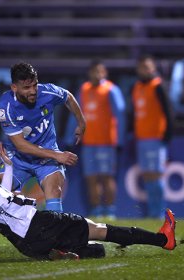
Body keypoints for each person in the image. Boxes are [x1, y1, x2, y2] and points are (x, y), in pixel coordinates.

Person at [0, 142, 177, 260]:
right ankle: (162, 239)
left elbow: (4, 195)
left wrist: (8, 166)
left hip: (25, 243)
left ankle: (66, 252)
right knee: (99, 229)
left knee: (94, 249)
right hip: (38, 224)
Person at [0, 62, 86, 259]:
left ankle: (56, 244)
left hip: (46, 156)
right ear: (14, 88)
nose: (33, 91)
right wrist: (57, 155)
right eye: (27, 87)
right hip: (18, 158)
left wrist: (81, 122)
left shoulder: (48, 92)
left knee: (54, 190)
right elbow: (21, 145)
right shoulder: (6, 107)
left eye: (34, 85)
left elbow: (68, 96)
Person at [65, 60, 126, 219]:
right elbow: (76, 114)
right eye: (94, 71)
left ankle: (110, 210)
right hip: (89, 143)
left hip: (106, 143)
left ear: (104, 73)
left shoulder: (111, 90)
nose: (97, 75)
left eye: (100, 71)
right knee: (91, 179)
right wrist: (70, 137)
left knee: (106, 177)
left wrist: (119, 139)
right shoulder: (84, 90)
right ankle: (97, 211)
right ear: (90, 73)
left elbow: (120, 115)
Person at [128, 55, 174, 218]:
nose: (144, 70)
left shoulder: (158, 86)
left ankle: (160, 212)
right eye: (142, 67)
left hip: (156, 138)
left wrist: (167, 135)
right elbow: (134, 113)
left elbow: (168, 111)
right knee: (147, 175)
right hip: (142, 138)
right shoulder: (136, 88)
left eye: (147, 67)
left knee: (156, 174)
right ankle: (152, 212)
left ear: (153, 68)